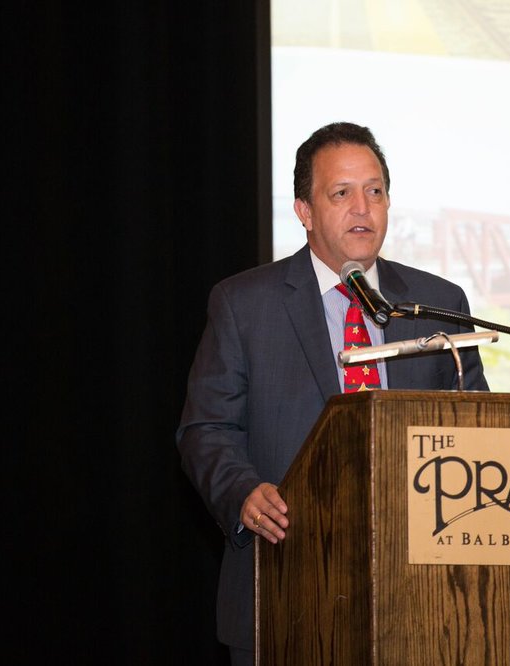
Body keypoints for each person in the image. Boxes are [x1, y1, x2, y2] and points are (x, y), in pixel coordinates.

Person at [176, 121, 488, 665]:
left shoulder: (437, 302)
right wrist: (243, 492)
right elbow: (206, 430)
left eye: (375, 191)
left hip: (420, 598)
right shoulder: (245, 304)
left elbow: (478, 426)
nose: (362, 208)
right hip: (284, 585)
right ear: (305, 211)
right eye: (341, 193)